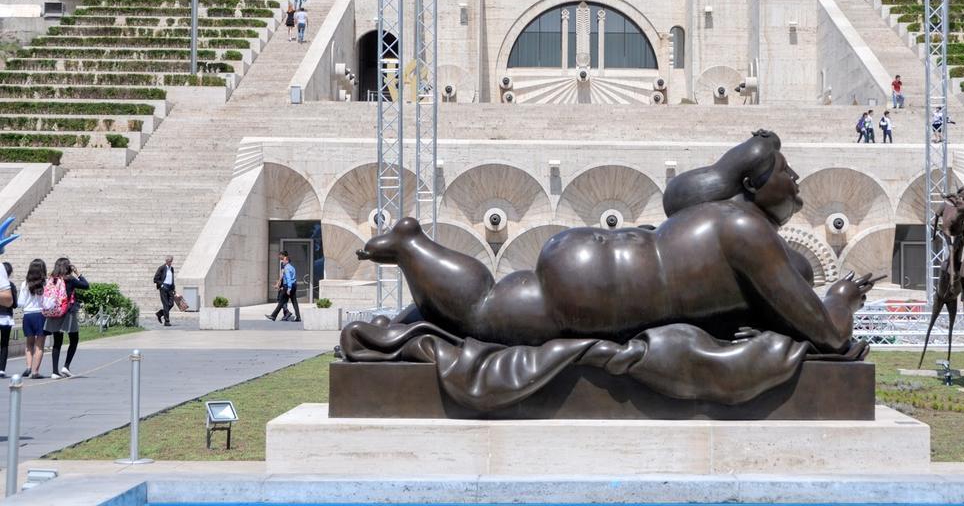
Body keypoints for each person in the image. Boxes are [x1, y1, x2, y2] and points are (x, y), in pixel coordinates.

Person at [354, 131, 874, 353]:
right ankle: (410, 245)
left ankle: (414, 298)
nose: (797, 179)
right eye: (786, 170)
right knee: (484, 312)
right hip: (602, 290)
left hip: (595, 259)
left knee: (497, 296)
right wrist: (844, 299)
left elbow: (683, 194)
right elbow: (827, 334)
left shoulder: (714, 212)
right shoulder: (748, 231)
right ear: (752, 186)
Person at [45, 257, 88, 379]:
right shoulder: (70, 279)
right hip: (67, 312)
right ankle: (66, 366)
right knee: (74, 339)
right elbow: (86, 285)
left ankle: (54, 371)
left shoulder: (52, 278)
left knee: (57, 342)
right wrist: (78, 273)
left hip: (54, 311)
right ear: (68, 267)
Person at [18, 259, 46, 378]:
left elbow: (20, 302)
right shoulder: (46, 283)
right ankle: (35, 371)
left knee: (29, 344)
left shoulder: (25, 283)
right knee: (39, 345)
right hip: (40, 314)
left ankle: (29, 367)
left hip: (27, 315)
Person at [268, 251, 300, 323]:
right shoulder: (292, 267)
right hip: (294, 285)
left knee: (281, 301)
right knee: (294, 302)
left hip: (288, 286)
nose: (283, 261)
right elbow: (293, 277)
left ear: (287, 260)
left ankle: (273, 316)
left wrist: (288, 288)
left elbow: (288, 278)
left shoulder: (286, 268)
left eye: (284, 260)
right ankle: (298, 317)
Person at [153, 255, 176, 326]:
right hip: (163, 288)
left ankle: (160, 313)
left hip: (170, 288)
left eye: (171, 261)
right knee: (166, 305)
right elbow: (155, 279)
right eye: (169, 261)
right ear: (166, 261)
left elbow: (172, 279)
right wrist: (162, 285)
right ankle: (167, 321)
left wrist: (173, 288)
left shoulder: (171, 269)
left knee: (171, 304)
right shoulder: (161, 268)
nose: (170, 262)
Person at [0, 262, 13, 378]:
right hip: (6, 317)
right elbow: (13, 303)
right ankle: (2, 369)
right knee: (4, 344)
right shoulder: (10, 285)